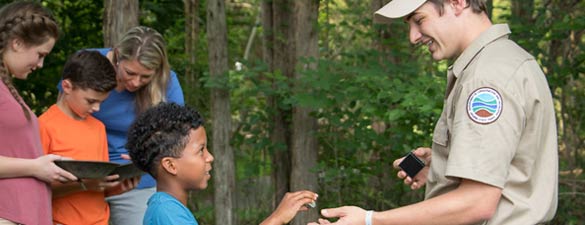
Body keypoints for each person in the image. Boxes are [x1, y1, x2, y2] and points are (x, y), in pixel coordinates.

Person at [310, 0, 558, 224]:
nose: (413, 37)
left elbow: (478, 202)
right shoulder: (508, 60)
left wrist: (370, 220)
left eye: (419, 20)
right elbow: (511, 168)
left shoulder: (485, 78)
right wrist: (446, 165)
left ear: (457, 2)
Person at [58, 25, 185, 225]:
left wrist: (150, 154)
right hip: (82, 176)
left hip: (134, 182)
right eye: (130, 72)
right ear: (117, 56)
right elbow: (61, 116)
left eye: (145, 77)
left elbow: (179, 136)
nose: (135, 83)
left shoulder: (167, 82)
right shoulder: (89, 65)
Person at [126, 102, 318, 225]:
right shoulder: (165, 213)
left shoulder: (170, 208)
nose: (210, 157)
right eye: (201, 150)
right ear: (171, 165)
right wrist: (277, 219)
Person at [39, 50, 140, 225]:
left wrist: (117, 187)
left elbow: (98, 186)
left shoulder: (98, 127)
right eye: (91, 101)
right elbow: (35, 192)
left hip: (100, 220)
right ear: (67, 86)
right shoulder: (44, 126)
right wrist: (83, 184)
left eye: (102, 102)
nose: (97, 109)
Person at [0, 2, 78, 225]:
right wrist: (36, 167)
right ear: (17, 43)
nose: (41, 64)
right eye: (40, 54)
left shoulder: (8, 89)